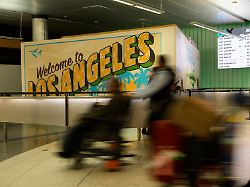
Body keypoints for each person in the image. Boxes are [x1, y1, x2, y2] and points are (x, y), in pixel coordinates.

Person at [59, 77, 130, 158]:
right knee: (78, 127)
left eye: (110, 85)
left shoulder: (117, 99)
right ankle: (70, 150)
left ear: (114, 86)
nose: (108, 87)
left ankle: (68, 151)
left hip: (103, 127)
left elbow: (105, 113)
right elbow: (108, 111)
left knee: (77, 129)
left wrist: (87, 115)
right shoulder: (120, 98)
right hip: (106, 124)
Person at [135, 55, 176, 135]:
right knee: (156, 119)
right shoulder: (165, 71)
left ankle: (156, 134)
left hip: (161, 100)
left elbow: (153, 84)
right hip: (160, 99)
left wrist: (146, 93)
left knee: (154, 119)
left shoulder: (162, 71)